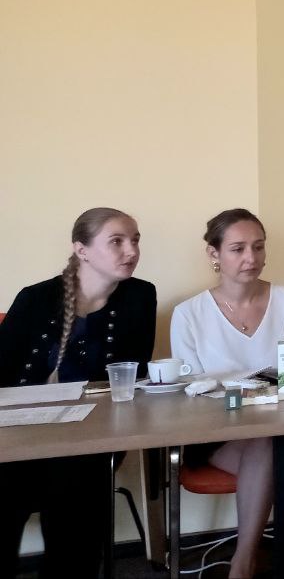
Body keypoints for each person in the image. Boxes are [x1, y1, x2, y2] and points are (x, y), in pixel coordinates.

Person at [0, 208, 156, 578]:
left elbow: (135, 373)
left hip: (93, 435)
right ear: (82, 250)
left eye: (135, 240)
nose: (131, 250)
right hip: (21, 433)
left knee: (76, 485)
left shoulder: (140, 296)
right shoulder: (35, 298)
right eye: (116, 241)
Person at [170, 209, 284, 578]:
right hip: (222, 430)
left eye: (258, 247)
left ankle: (243, 566)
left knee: (282, 441)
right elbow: (193, 393)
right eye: (238, 249)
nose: (251, 258)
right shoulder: (189, 314)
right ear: (214, 254)